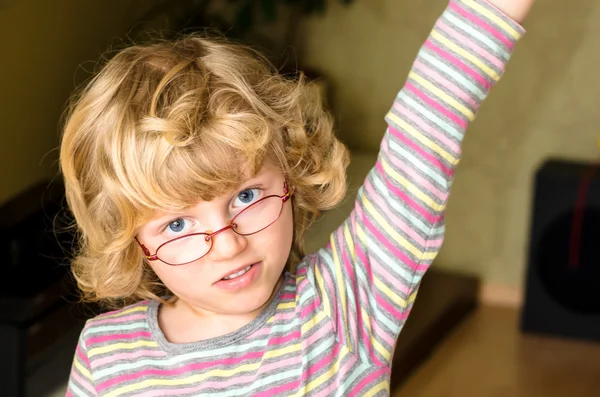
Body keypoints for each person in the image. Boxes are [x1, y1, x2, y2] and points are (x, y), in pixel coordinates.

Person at [61, 0, 534, 395]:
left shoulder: (345, 303)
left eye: (246, 195)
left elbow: (430, 122)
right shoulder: (106, 358)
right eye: (178, 225)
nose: (227, 245)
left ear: (290, 171)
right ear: (132, 239)